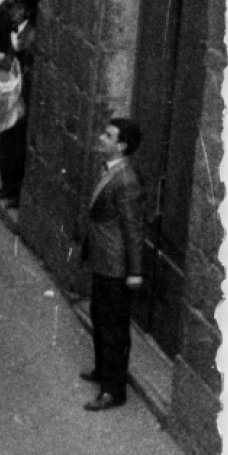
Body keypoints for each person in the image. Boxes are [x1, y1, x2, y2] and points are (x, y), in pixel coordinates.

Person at [80, 117, 146, 411]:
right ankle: (102, 371)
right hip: (103, 259)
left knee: (113, 327)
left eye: (108, 136)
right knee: (99, 316)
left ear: (121, 146)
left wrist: (134, 272)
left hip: (116, 266)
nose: (101, 138)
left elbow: (133, 229)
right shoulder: (109, 170)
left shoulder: (127, 180)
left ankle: (113, 390)